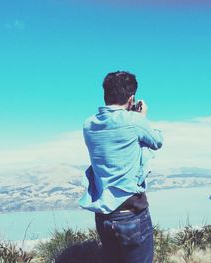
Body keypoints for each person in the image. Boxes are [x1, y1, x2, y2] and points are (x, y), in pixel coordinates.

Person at [79, 71, 163, 263]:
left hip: (104, 217)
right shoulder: (135, 122)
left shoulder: (88, 125)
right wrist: (142, 116)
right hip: (132, 214)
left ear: (105, 95)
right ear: (131, 98)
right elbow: (157, 141)